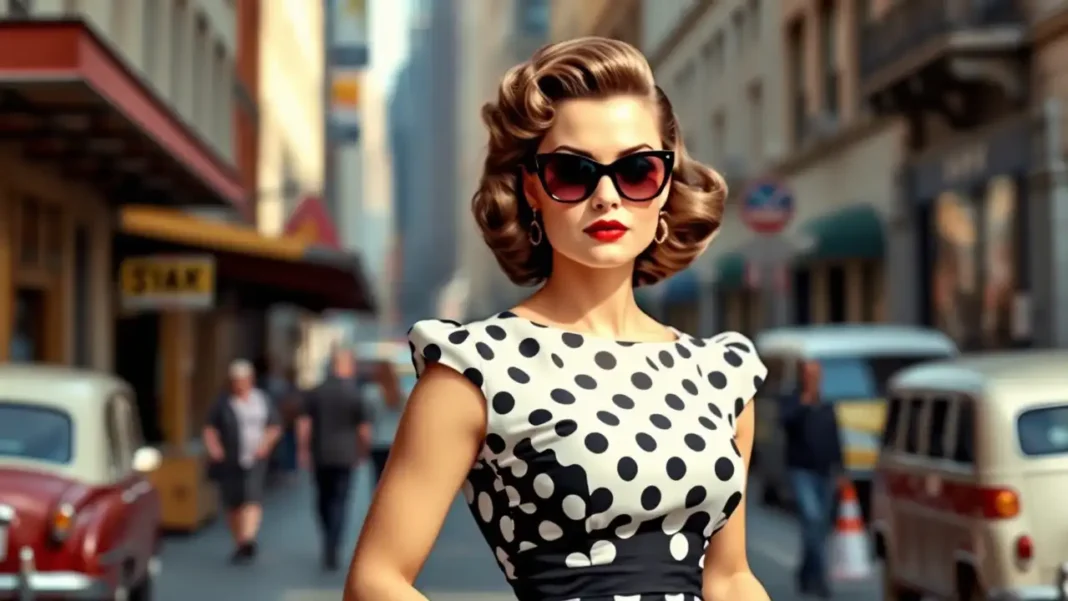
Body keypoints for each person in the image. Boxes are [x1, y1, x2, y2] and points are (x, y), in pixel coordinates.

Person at [346, 37, 770, 601]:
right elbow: (377, 580)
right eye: (572, 173)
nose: (605, 196)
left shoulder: (721, 373)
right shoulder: (476, 367)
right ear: (532, 189)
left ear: (666, 183)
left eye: (637, 170)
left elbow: (729, 575)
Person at [298, 348, 399, 570]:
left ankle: (328, 535)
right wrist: (362, 450)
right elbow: (363, 429)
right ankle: (333, 542)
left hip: (321, 453)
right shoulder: (355, 394)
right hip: (346, 455)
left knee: (323, 498)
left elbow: (304, 425)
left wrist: (303, 450)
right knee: (340, 500)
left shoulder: (316, 392)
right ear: (345, 366)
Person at [203, 359, 282, 564]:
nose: (240, 385)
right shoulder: (223, 403)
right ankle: (239, 540)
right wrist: (215, 448)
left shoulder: (262, 400)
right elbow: (210, 428)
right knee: (235, 502)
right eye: (236, 381)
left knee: (252, 498)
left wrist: (265, 444)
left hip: (256, 458)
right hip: (231, 459)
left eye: (243, 380)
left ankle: (248, 538)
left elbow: (274, 426)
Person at [780, 360, 846, 598]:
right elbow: (786, 423)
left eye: (817, 374)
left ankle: (806, 572)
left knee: (819, 526)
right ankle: (820, 579)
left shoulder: (826, 404)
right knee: (812, 517)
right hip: (801, 470)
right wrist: (804, 403)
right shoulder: (794, 399)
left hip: (825, 471)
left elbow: (835, 436)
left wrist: (841, 469)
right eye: (810, 374)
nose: (814, 379)